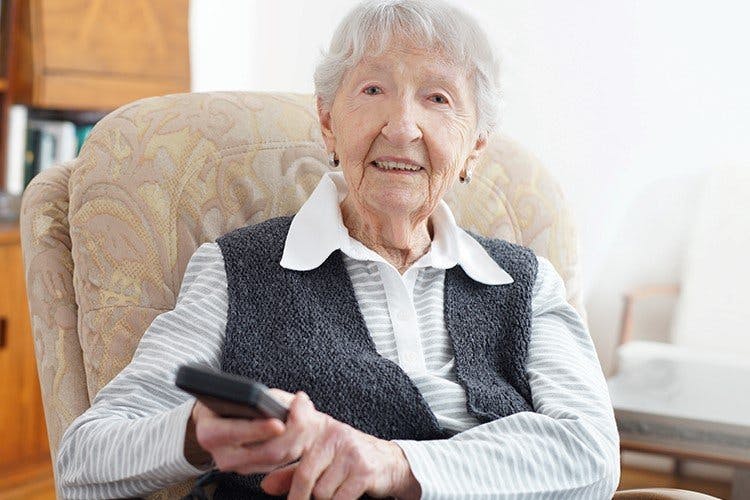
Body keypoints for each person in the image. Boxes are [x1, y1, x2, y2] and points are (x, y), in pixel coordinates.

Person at [56, 0, 620, 498]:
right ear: (328, 122)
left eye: (438, 97)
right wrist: (195, 431)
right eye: (372, 89)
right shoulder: (239, 271)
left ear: (475, 146)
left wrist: (398, 464)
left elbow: (593, 453)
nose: (402, 127)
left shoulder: (524, 282)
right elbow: (83, 461)